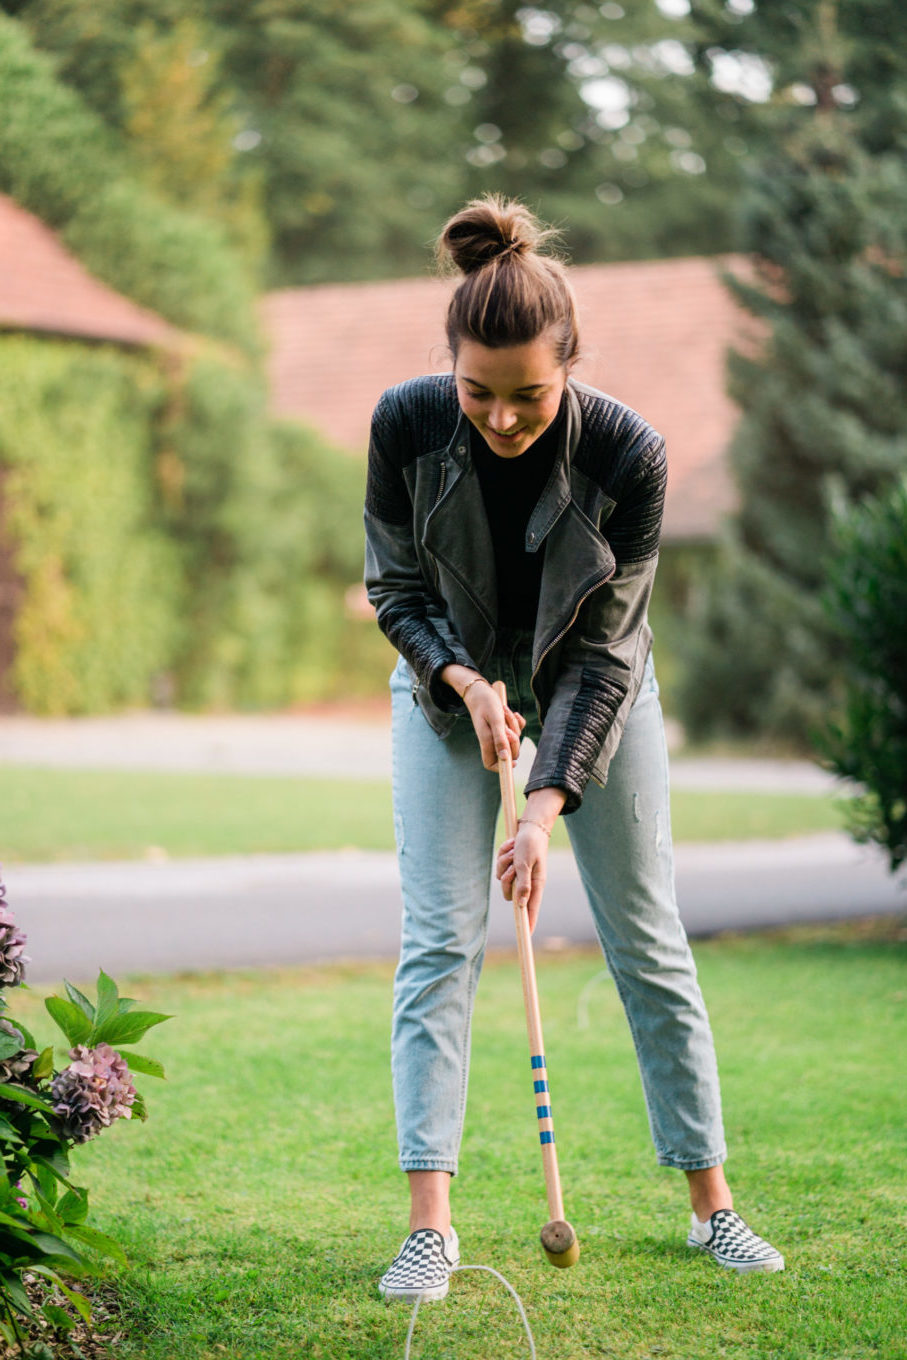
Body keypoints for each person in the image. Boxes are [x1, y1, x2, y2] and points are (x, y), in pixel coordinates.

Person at [364, 195, 783, 1301]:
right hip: (446, 688)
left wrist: (543, 808)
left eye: (529, 395)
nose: (502, 418)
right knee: (439, 942)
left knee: (646, 938)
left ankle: (712, 1206)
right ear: (448, 368)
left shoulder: (627, 454)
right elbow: (395, 589)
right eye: (479, 392)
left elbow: (603, 657)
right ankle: (429, 1227)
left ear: (571, 368)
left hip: (597, 692)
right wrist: (459, 677)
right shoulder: (404, 426)